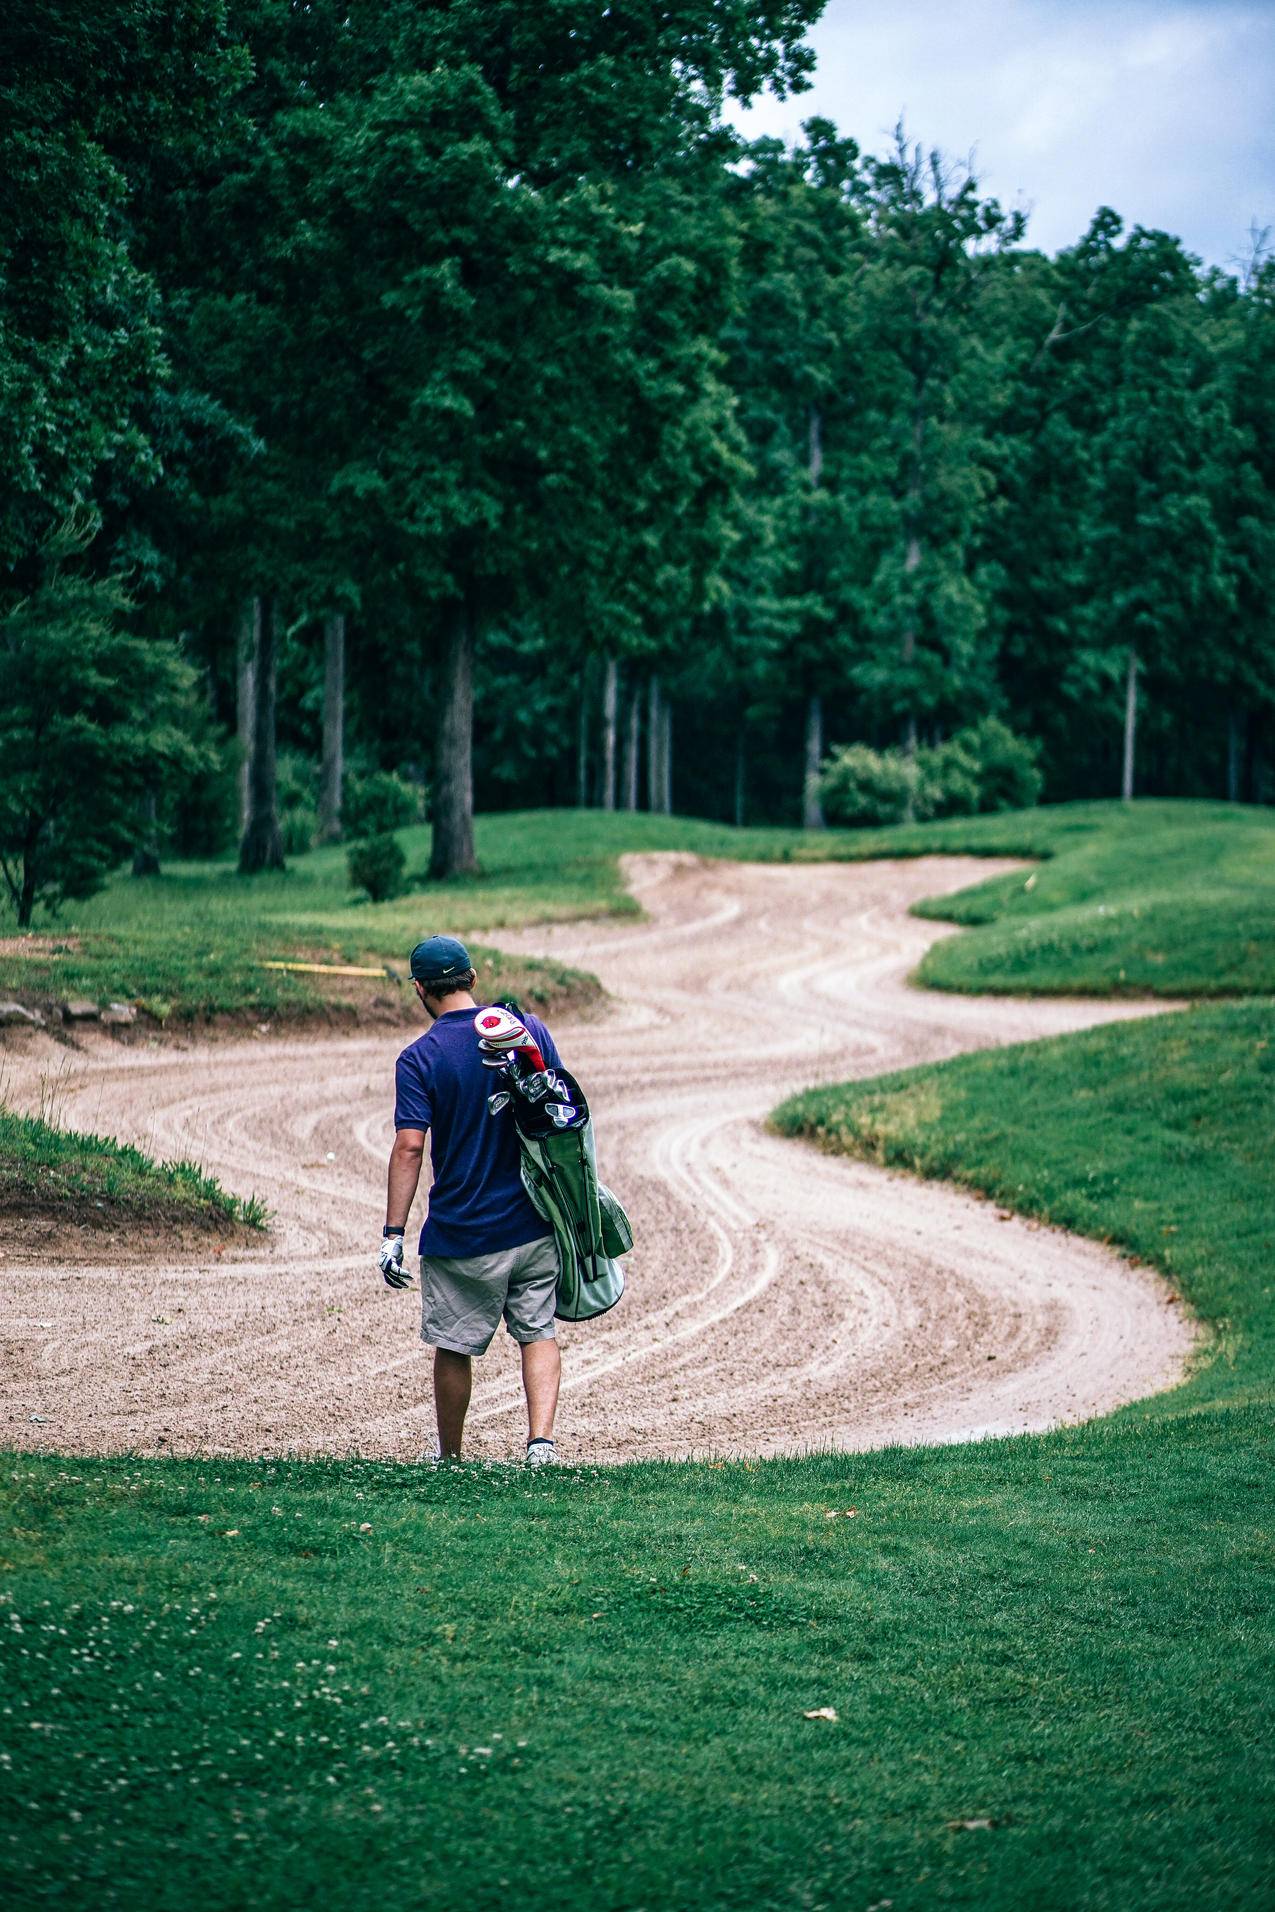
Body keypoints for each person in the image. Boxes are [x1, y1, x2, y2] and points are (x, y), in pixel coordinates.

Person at [378, 934, 563, 1464]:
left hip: (464, 1234)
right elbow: (564, 1114)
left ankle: (452, 1457)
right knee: (537, 1332)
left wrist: (393, 1236)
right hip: (534, 1224)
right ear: (472, 980)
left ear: (419, 989)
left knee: (454, 1346)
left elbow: (410, 1147)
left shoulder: (419, 1059)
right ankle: (541, 1444)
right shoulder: (528, 1032)